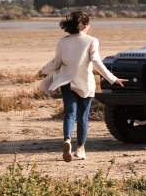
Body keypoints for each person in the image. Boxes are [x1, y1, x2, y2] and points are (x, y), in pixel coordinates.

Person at [38, 10, 125, 162]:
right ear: (85, 25)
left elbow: (56, 63)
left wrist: (44, 70)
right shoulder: (92, 41)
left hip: (67, 82)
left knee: (69, 114)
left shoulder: (63, 42)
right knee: (83, 117)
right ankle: (80, 149)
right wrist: (113, 78)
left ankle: (67, 139)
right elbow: (97, 62)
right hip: (85, 83)